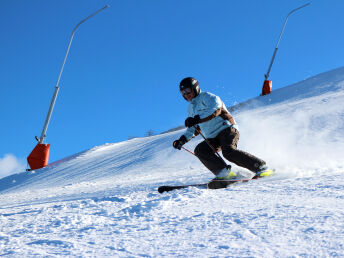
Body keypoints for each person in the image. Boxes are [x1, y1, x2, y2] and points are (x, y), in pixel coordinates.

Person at [173, 77, 273, 180]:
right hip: (212, 137)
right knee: (200, 150)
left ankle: (261, 167)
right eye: (183, 93)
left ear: (195, 88)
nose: (186, 94)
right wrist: (182, 140)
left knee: (228, 152)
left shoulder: (208, 97)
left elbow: (215, 110)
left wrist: (196, 118)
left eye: (188, 91)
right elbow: (194, 128)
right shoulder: (191, 108)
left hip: (226, 129)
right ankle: (224, 173)